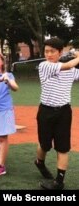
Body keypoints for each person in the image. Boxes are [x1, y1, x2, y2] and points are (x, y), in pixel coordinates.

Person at [35, 37, 79, 190]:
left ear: (60, 52)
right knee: (44, 145)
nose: (48, 54)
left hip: (64, 112)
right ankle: (39, 162)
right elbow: (67, 65)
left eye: (52, 51)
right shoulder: (44, 65)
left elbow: (72, 69)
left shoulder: (71, 69)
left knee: (63, 147)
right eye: (46, 51)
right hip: (46, 111)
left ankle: (59, 181)